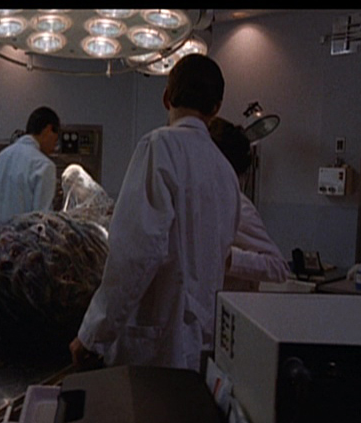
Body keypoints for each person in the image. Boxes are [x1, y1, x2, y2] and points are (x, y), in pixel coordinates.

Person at [69, 54, 241, 373]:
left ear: (166, 97)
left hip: (156, 350)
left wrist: (93, 335)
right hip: (202, 348)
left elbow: (135, 253)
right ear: (216, 108)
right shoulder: (226, 172)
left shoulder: (159, 147)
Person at [209, 117, 291, 291]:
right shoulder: (192, 200)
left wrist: (228, 259)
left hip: (226, 303)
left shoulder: (238, 207)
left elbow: (278, 268)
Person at [0, 106, 60, 226]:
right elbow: (41, 221)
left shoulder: (1, 158)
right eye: (55, 140)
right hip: (21, 237)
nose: (54, 147)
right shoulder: (44, 166)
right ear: (48, 130)